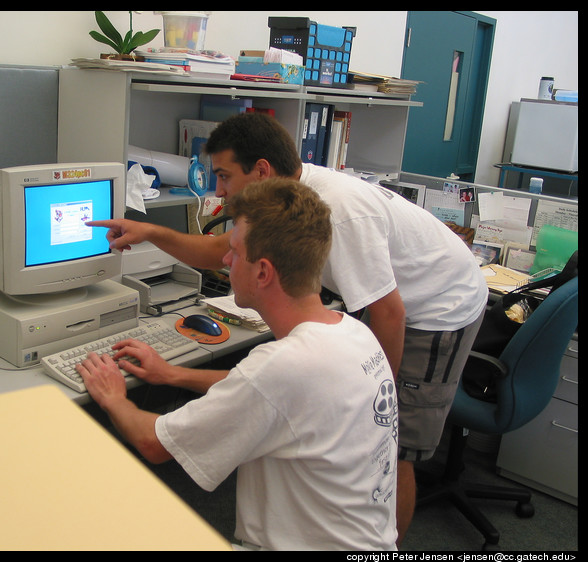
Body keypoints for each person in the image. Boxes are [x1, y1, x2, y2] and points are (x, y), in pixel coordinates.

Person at [89, 112, 488, 545]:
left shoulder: (341, 214)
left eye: (223, 175)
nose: (217, 189)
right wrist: (172, 372)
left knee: (399, 450)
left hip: (438, 308)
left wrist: (113, 398)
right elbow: (279, 387)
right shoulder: (344, 330)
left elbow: (388, 314)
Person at [78, 179, 399, 550]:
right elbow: (261, 391)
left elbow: (154, 443)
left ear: (263, 272)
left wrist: (113, 397)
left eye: (233, 251)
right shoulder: (353, 334)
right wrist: (171, 374)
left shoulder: (284, 366)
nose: (226, 261)